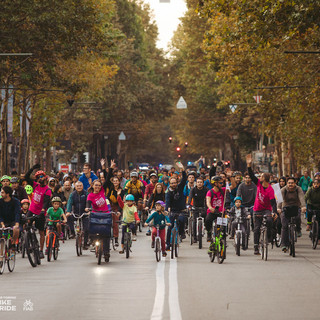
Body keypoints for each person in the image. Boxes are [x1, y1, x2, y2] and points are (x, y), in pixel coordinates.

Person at [246, 154, 277, 255]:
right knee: (256, 229)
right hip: (257, 209)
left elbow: (273, 202)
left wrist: (274, 212)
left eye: (262, 176)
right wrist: (249, 165)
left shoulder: (270, 190)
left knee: (269, 220)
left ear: (265, 178)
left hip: (266, 210)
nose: (260, 177)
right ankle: (256, 247)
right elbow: (251, 175)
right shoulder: (258, 184)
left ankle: (268, 237)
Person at [25, 164, 52, 259]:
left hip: (41, 212)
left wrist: (43, 210)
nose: (39, 178)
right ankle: (29, 240)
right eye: (38, 177)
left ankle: (40, 250)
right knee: (27, 224)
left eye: (41, 176)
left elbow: (46, 202)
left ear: (45, 177)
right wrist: (32, 168)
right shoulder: (35, 185)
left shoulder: (47, 190)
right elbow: (26, 177)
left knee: (41, 232)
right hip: (31, 210)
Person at [277, 177, 306, 252]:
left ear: (295, 183)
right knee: (284, 225)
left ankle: (298, 229)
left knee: (298, 217)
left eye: (292, 183)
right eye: (289, 183)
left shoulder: (298, 189)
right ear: (287, 183)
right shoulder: (283, 190)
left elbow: (301, 197)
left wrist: (303, 206)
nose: (290, 184)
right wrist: (278, 208)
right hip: (285, 207)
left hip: (296, 206)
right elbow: (280, 200)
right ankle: (284, 244)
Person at [85, 179, 111, 261]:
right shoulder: (90, 195)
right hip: (95, 214)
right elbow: (88, 203)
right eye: (96, 185)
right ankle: (91, 240)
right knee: (91, 227)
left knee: (106, 234)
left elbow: (107, 179)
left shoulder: (102, 191)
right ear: (92, 186)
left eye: (99, 185)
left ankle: (106, 252)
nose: (97, 187)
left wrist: (109, 168)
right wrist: (87, 208)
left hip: (105, 214)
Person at [165, 162, 187, 250]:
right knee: (170, 227)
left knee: (181, 220)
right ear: (169, 184)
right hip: (173, 211)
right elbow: (167, 202)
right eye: (172, 183)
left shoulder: (180, 187)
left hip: (182, 210)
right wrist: (167, 209)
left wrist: (182, 169)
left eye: (175, 183)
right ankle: (168, 244)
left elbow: (184, 179)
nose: (174, 184)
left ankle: (182, 232)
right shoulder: (168, 192)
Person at [66, 181, 89, 248]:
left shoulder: (85, 193)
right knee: (69, 217)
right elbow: (69, 203)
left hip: (84, 214)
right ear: (75, 187)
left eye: (80, 186)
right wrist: (68, 211)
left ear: (82, 186)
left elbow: (88, 201)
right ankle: (72, 232)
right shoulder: (72, 194)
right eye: (77, 186)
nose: (79, 187)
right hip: (75, 213)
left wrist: (88, 209)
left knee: (86, 229)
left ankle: (85, 243)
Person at [205, 176, 226, 242]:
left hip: (221, 212)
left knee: (224, 225)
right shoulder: (210, 192)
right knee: (208, 220)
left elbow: (233, 186)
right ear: (215, 184)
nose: (222, 184)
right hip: (212, 212)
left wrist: (231, 178)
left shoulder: (223, 190)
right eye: (220, 183)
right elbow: (208, 201)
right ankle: (209, 233)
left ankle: (223, 236)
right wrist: (210, 207)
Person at [188, 177, 208, 242]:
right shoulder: (193, 190)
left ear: (203, 183)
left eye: (201, 182)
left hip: (204, 207)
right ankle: (194, 236)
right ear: (196, 183)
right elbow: (190, 197)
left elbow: (208, 197)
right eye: (198, 182)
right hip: (195, 207)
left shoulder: (206, 189)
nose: (199, 183)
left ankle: (208, 234)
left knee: (207, 220)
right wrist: (189, 205)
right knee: (194, 221)